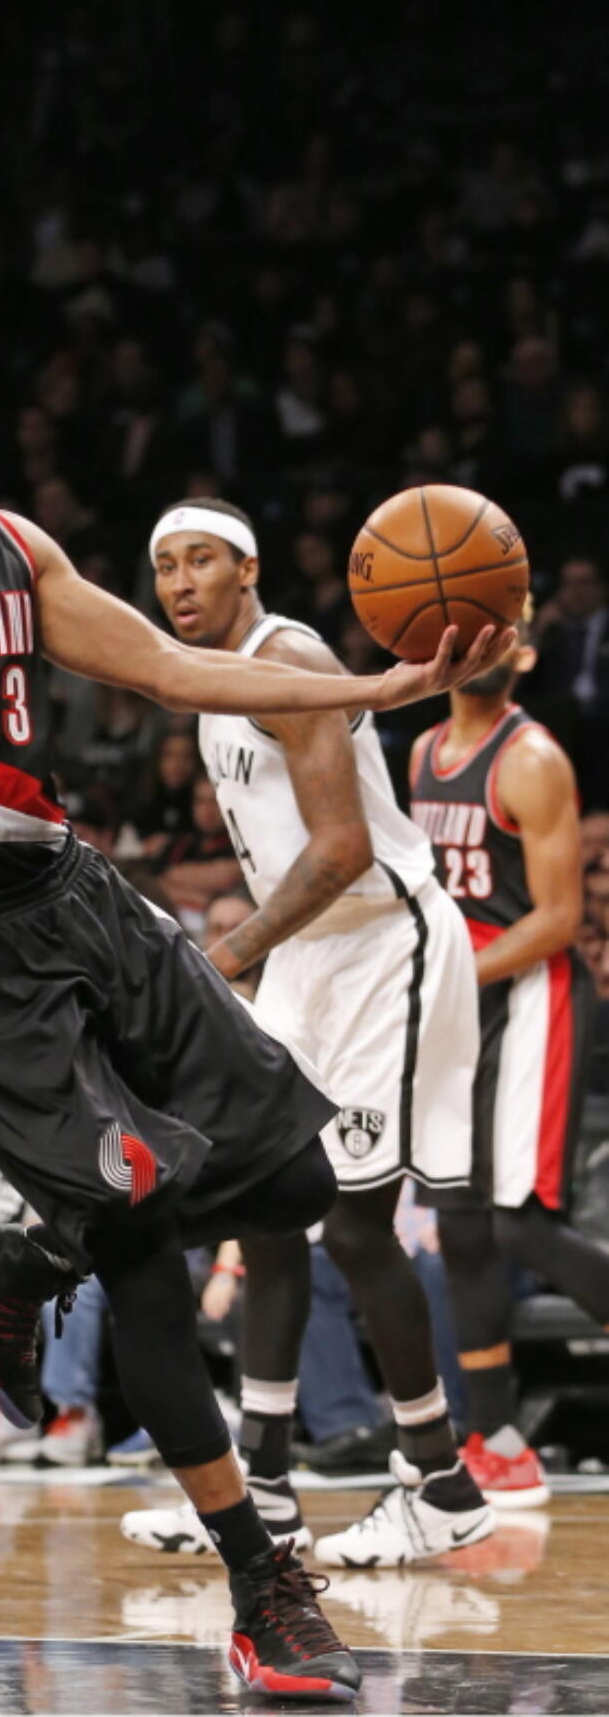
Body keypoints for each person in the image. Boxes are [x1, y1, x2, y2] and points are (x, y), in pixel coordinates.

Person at [0, 335, 507, 1699]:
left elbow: (171, 668)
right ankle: (256, 1583)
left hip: (77, 891)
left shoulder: (11, 546)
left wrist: (369, 690)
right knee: (147, 1239)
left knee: (294, 1175)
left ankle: (26, 1261)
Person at [122, 497, 493, 1569]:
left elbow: (337, 850)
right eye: (163, 565)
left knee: (356, 1227)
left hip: (382, 942)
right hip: (307, 958)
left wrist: (227, 956)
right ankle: (262, 1485)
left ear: (247, 569)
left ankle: (441, 1481)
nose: (178, 581)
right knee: (267, 1213)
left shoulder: (288, 657)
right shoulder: (207, 680)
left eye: (200, 560)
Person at [411, 627, 609, 1506]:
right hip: (465, 1001)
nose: (488, 643)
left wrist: (446, 973)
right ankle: (496, 1439)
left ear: (524, 654)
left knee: (518, 1223)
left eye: (508, 628)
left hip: (534, 998)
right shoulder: (421, 749)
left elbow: (559, 917)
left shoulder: (530, 759)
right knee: (457, 1222)